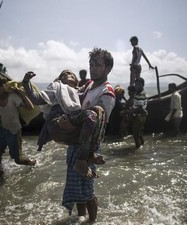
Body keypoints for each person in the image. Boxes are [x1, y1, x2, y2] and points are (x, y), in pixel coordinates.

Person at [62, 48, 116, 223]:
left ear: (107, 69)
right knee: (77, 189)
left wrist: (70, 125)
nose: (93, 68)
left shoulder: (107, 93)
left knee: (87, 189)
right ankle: (81, 217)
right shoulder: (89, 86)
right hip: (75, 141)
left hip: (89, 146)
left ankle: (92, 221)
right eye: (91, 64)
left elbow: (99, 125)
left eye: (98, 65)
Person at [21, 69, 106, 176]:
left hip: (71, 124)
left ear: (76, 80)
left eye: (70, 74)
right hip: (58, 121)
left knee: (98, 111)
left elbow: (89, 93)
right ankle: (81, 160)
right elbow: (36, 99)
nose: (67, 74)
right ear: (60, 78)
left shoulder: (77, 93)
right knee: (91, 114)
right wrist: (26, 82)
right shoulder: (56, 88)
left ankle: (89, 154)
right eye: (64, 74)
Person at [0, 74, 36, 177]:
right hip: (2, 129)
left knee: (18, 160)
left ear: (6, 85)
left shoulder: (13, 97)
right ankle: (0, 176)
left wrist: (21, 93)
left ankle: (33, 163)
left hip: (14, 131)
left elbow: (30, 107)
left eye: (1, 86)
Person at [130, 77, 148, 148]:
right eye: (136, 84)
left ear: (142, 85)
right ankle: (142, 145)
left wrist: (131, 111)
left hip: (140, 116)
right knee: (139, 133)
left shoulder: (140, 94)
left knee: (136, 134)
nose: (137, 86)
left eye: (139, 85)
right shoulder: (138, 92)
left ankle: (137, 149)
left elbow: (140, 108)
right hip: (140, 115)